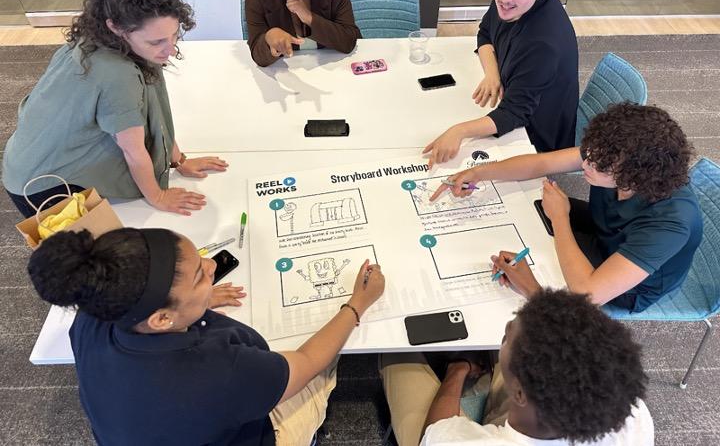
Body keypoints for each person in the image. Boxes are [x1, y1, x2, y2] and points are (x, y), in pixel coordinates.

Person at [28, 227, 384, 445]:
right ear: (162, 319)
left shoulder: (95, 308)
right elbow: (306, 362)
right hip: (237, 428)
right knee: (327, 358)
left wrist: (195, 301)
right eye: (200, 275)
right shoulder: (218, 371)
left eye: (201, 259)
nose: (213, 267)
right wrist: (356, 304)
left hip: (138, 430)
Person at [2, 0, 227, 218]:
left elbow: (154, 114)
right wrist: (158, 196)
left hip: (28, 155)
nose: (170, 49)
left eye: (174, 35)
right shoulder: (116, 75)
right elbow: (134, 151)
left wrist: (179, 161)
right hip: (43, 186)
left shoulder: (101, 36)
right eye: (156, 42)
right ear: (117, 28)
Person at [432, 103, 703, 312]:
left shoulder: (670, 223)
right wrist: (480, 172)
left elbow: (588, 294)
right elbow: (542, 164)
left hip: (630, 287)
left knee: (525, 277)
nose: (585, 164)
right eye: (589, 154)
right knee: (525, 210)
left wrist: (560, 219)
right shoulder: (612, 155)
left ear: (637, 175)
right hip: (607, 231)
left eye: (598, 166)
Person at [381, 289, 652, 446]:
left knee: (395, 355)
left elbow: (438, 428)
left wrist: (457, 372)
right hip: (530, 422)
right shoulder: (630, 412)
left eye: (507, 337)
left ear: (520, 395)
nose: (506, 330)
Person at [424, 0, 578, 167]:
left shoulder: (544, 43)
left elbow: (514, 114)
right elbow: (485, 32)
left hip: (535, 137)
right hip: (510, 96)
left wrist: (459, 131)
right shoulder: (511, 0)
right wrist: (492, 74)